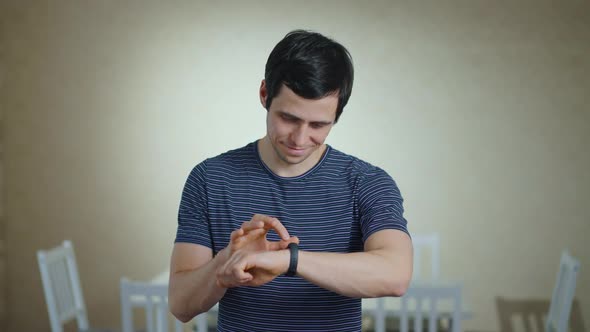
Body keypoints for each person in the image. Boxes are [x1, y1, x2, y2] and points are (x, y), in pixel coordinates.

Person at [168, 29, 413, 332]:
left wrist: (289, 261)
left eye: (318, 125)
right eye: (289, 118)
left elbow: (395, 274)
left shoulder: (367, 182)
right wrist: (226, 263)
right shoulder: (208, 178)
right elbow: (180, 305)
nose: (299, 138)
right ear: (264, 95)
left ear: (337, 115)